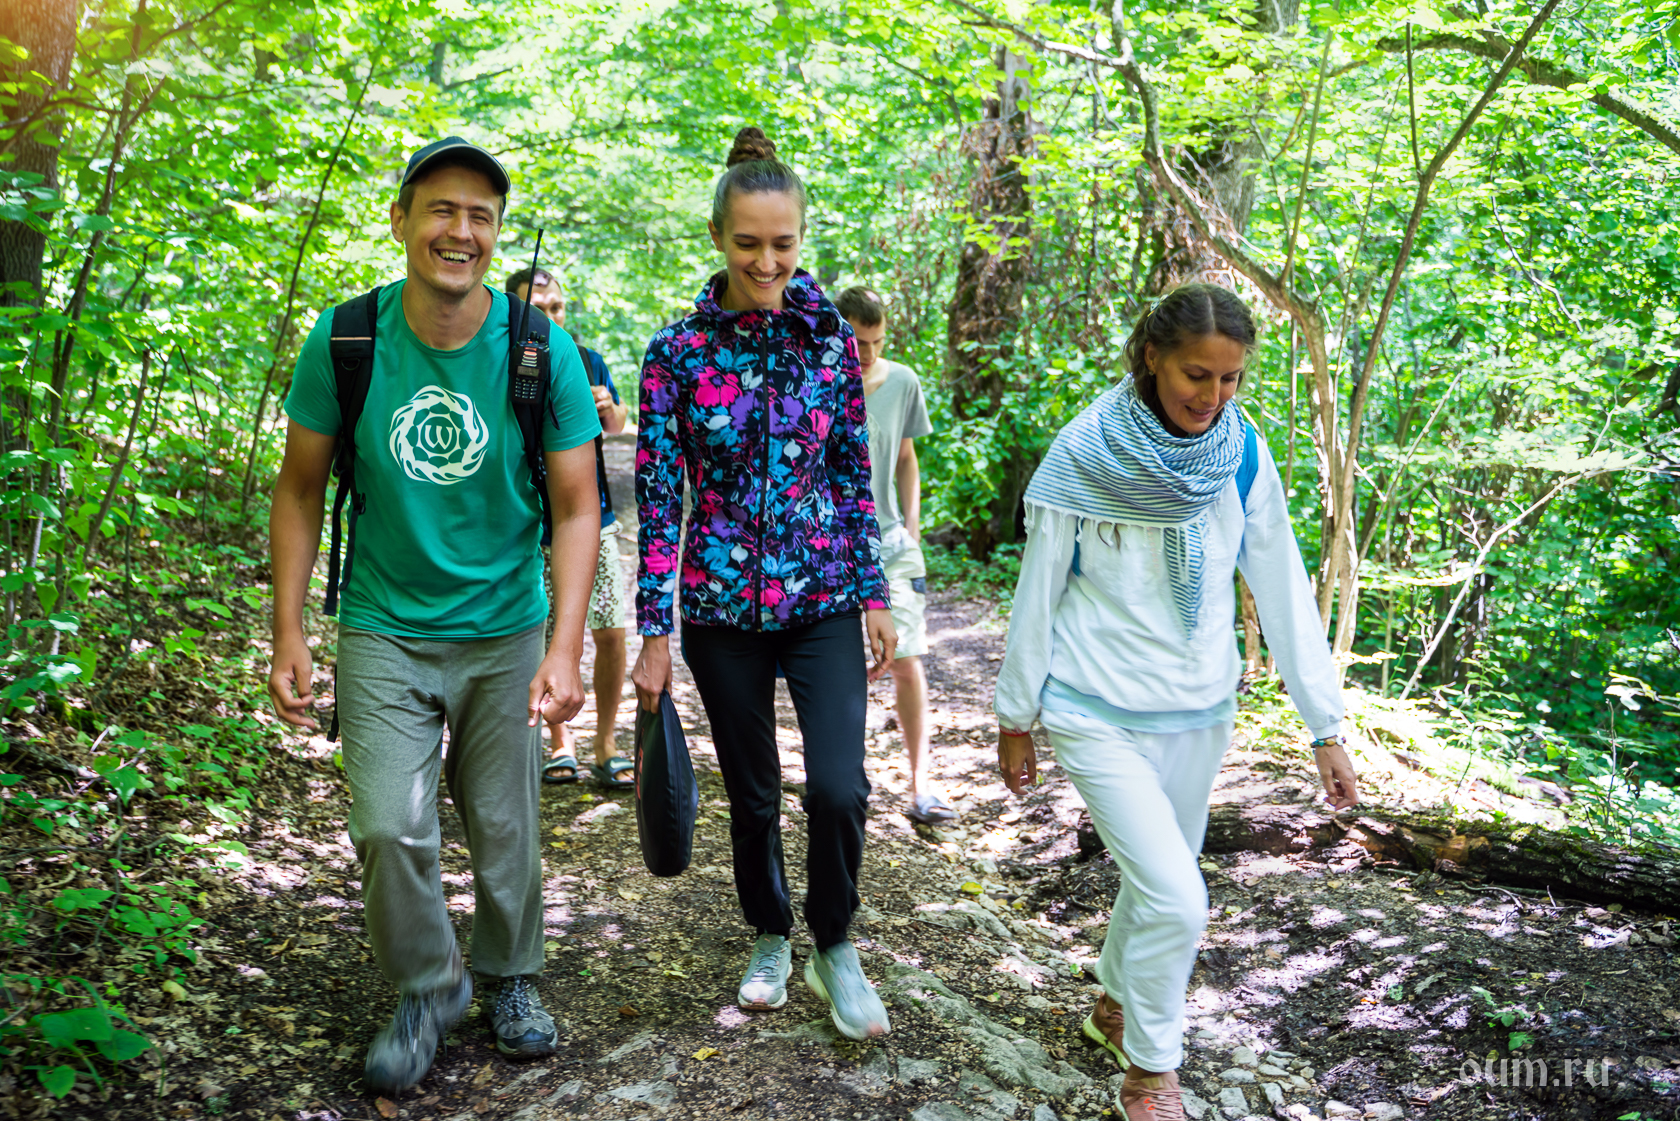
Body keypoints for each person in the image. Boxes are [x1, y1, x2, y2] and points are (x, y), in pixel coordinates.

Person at [267, 136, 603, 1094]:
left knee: (504, 822)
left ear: (495, 233)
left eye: (480, 216)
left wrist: (566, 646)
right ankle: (428, 984)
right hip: (383, 621)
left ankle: (512, 974)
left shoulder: (541, 351)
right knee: (386, 824)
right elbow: (300, 487)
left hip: (505, 625)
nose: (461, 231)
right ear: (401, 220)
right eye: (441, 210)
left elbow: (578, 505)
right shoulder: (348, 339)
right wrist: (289, 628)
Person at [991, 283, 1360, 1121]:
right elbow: (1037, 591)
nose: (1213, 396)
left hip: (1199, 710)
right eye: (1198, 374)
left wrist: (1325, 725)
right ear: (1153, 356)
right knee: (1178, 895)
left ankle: (1114, 1002)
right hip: (1094, 706)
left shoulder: (1241, 453)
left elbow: (1282, 583)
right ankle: (1151, 1073)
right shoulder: (1086, 451)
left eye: (1231, 379)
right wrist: (1016, 716)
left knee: (1153, 880)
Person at [631, 126, 897, 1040]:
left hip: (823, 597)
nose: (767, 261)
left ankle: (836, 941)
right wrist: (654, 630)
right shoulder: (675, 353)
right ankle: (771, 932)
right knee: (753, 790)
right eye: (748, 243)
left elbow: (851, 478)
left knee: (839, 787)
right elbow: (659, 497)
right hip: (718, 610)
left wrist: (875, 592)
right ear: (717, 236)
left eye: (783, 243)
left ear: (801, 237)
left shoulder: (831, 345)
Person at [504, 268, 634, 790]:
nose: (550, 316)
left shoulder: (587, 359)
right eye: (537, 308)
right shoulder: (500, 360)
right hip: (527, 526)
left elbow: (618, 425)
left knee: (611, 632)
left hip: (592, 518)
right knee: (547, 634)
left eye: (556, 307)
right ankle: (561, 743)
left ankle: (606, 742)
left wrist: (610, 407)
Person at [833, 286, 951, 825]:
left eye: (877, 341)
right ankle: (841, 781)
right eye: (858, 342)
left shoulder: (903, 381)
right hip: (830, 548)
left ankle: (922, 785)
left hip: (891, 544)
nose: (869, 353)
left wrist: (913, 526)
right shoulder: (815, 381)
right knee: (838, 667)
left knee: (906, 660)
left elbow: (906, 457)